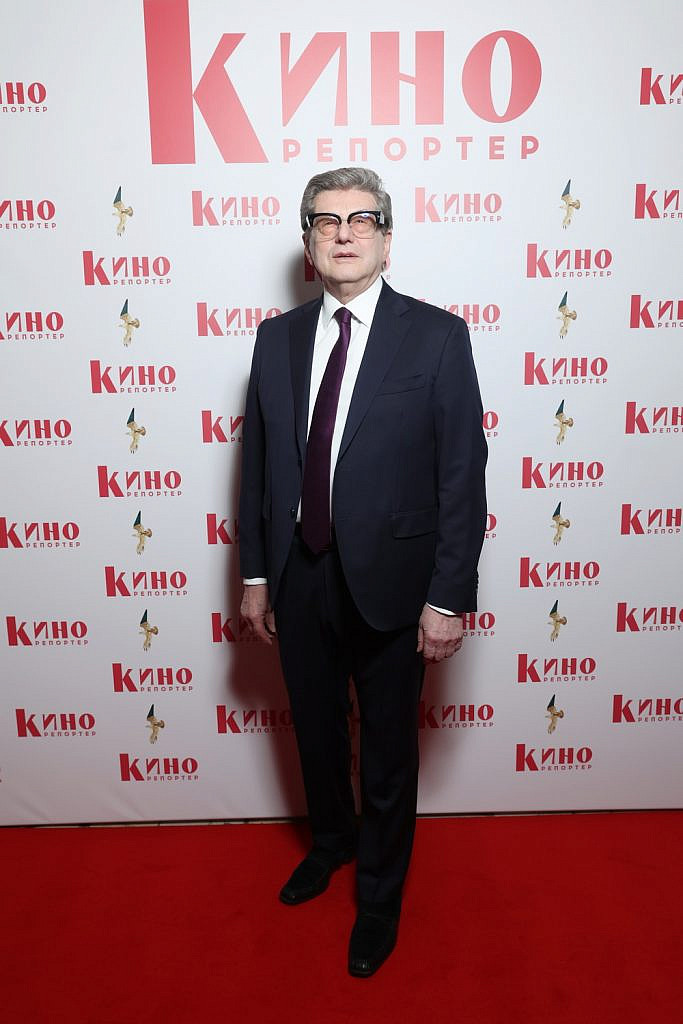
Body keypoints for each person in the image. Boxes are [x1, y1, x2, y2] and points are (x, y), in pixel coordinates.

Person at [239, 167, 487, 977]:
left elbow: (461, 475)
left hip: (394, 583)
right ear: (307, 242)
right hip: (299, 573)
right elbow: (258, 469)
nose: (343, 233)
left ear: (386, 238)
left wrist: (446, 596)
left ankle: (378, 897)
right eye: (325, 221)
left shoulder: (437, 336)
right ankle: (332, 843)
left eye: (360, 219)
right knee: (315, 733)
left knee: (385, 750)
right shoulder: (275, 339)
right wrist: (255, 577)